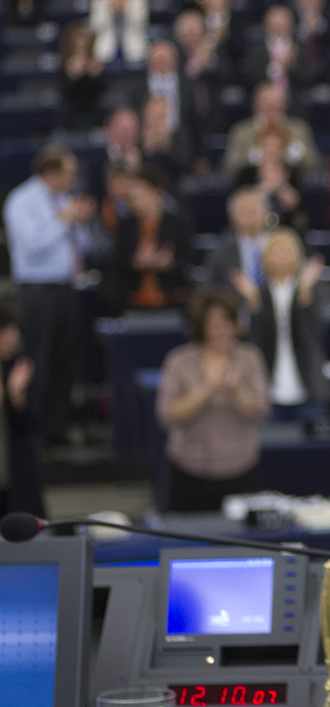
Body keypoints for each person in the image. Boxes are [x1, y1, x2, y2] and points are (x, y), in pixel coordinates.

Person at [4, 145, 93, 441]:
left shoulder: (63, 200)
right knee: (36, 360)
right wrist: (63, 220)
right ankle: (33, 428)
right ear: (51, 173)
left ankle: (57, 430)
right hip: (36, 292)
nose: (72, 180)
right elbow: (33, 245)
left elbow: (85, 245)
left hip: (67, 289)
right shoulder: (21, 201)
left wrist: (78, 222)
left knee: (65, 361)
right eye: (68, 174)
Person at [155, 288, 270, 512]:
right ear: (201, 327)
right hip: (188, 470)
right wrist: (207, 388)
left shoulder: (250, 358)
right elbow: (167, 415)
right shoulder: (179, 361)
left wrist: (237, 391)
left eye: (229, 322)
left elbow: (260, 412)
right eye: (216, 324)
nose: (224, 330)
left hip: (240, 469)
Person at [233, 230, 327, 423]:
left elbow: (313, 337)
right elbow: (254, 345)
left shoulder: (309, 292)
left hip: (307, 386)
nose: (282, 257)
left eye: (287, 251)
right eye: (276, 251)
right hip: (269, 390)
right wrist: (254, 308)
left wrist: (304, 296)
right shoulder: (259, 295)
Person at [105, 167, 191, 315]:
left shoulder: (178, 223)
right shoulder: (125, 226)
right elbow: (116, 263)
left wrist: (168, 263)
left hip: (171, 300)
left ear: (157, 192)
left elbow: (188, 259)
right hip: (133, 301)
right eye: (132, 198)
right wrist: (136, 262)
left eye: (140, 196)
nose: (136, 202)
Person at [0, 301, 42, 517]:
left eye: (14, 330)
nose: (12, 337)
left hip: (15, 473)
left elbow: (32, 424)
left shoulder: (21, 367)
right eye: (5, 331)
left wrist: (16, 396)